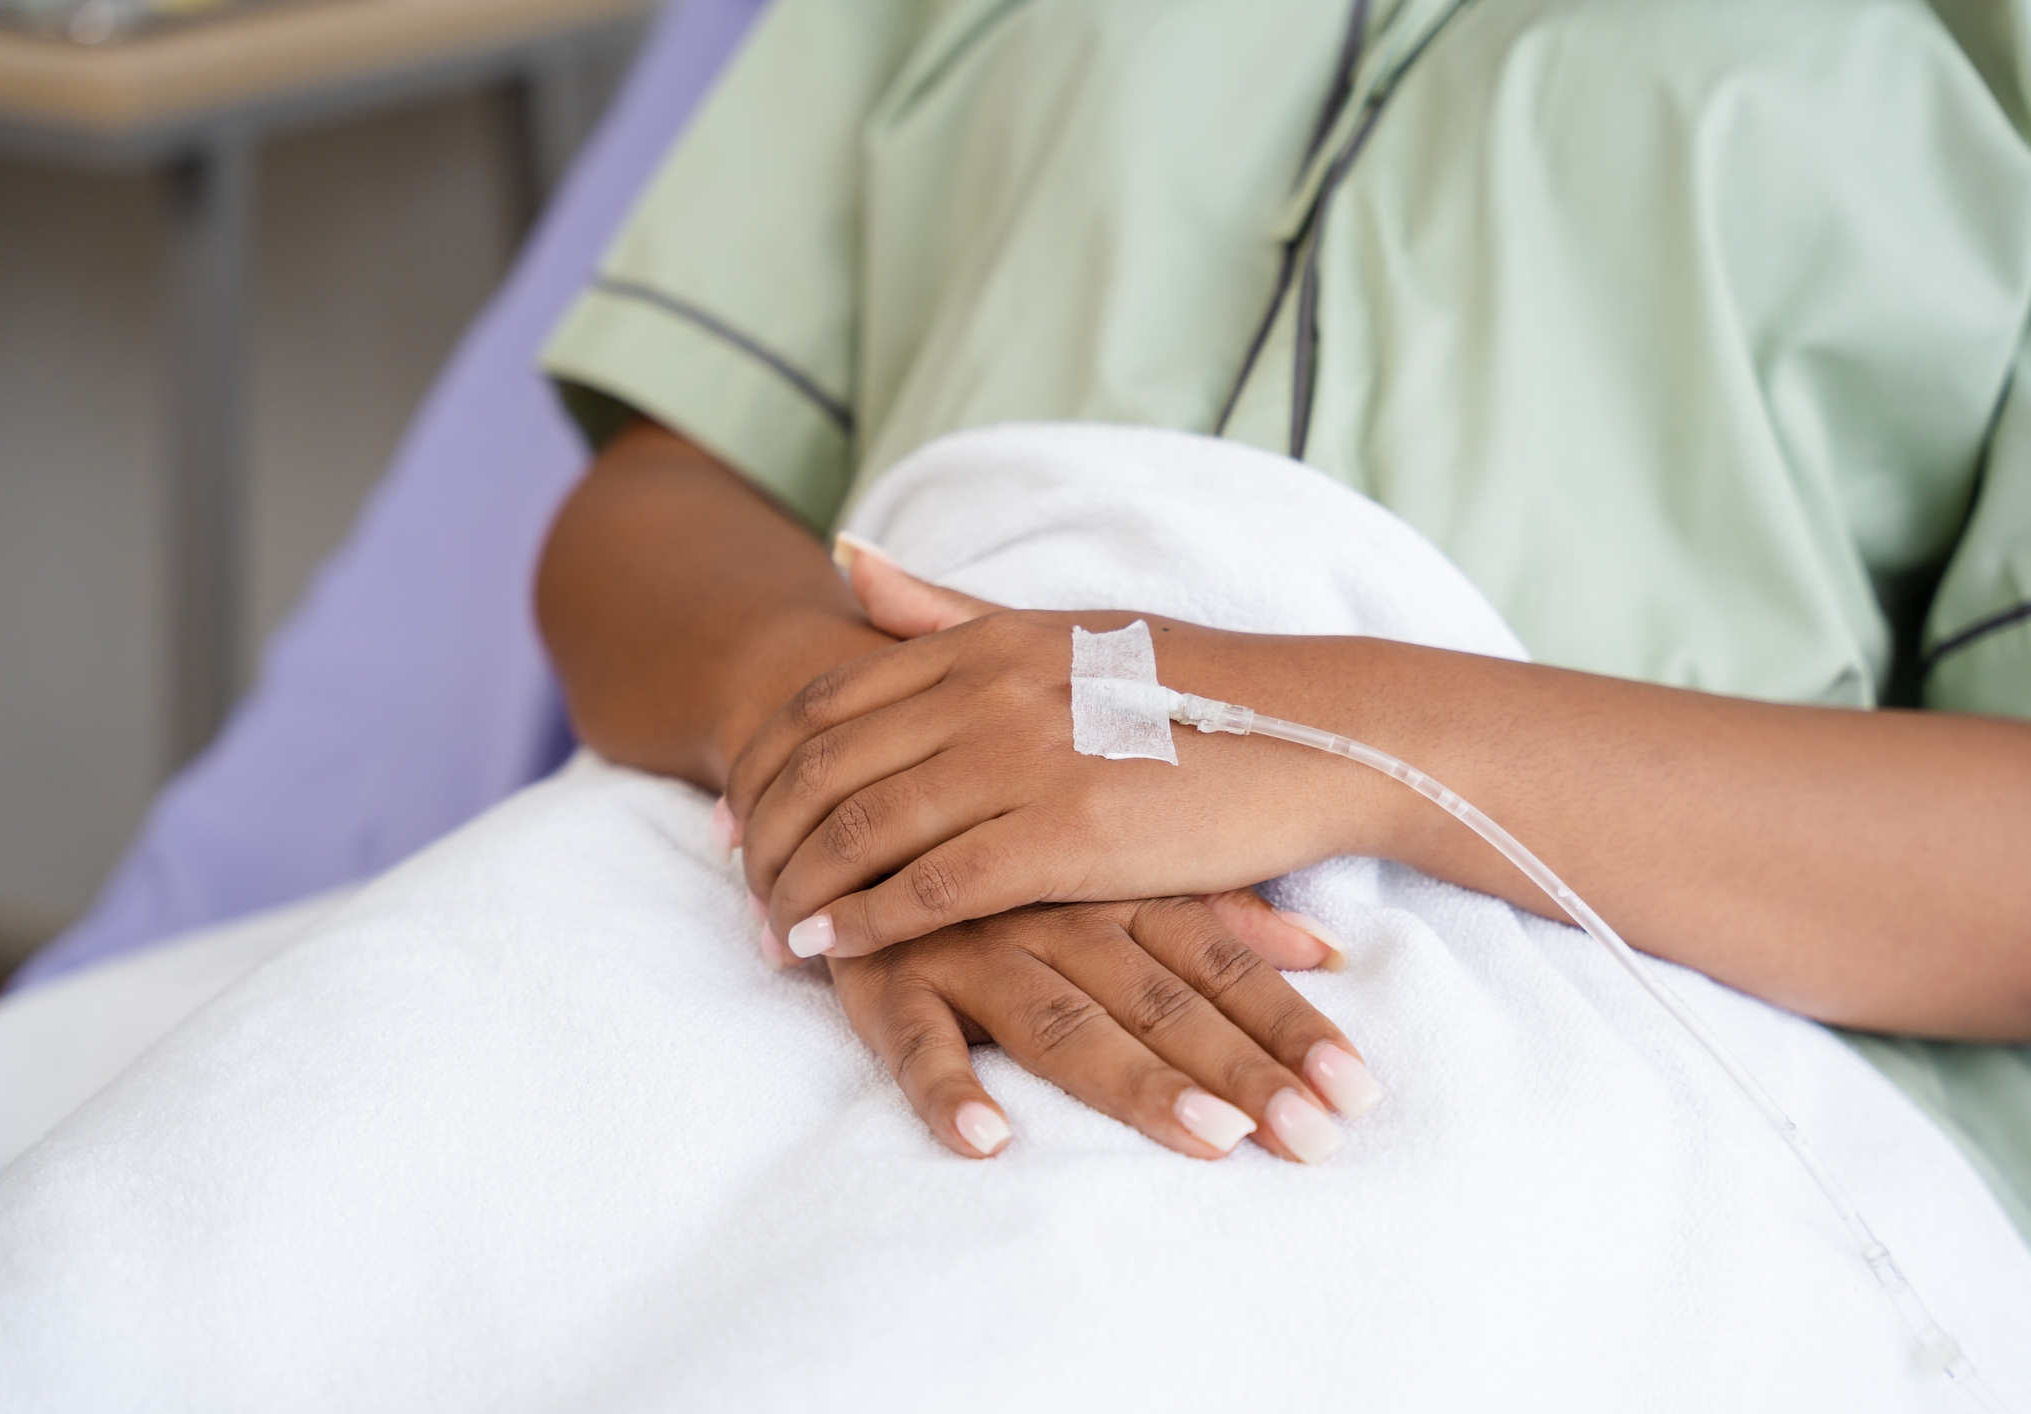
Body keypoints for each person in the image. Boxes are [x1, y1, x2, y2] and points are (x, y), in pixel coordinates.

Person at [536, 0, 2031, 1173]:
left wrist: (1321, 734)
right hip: (775, 871)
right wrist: (871, 776)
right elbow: (654, 497)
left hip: (1609, 1004)